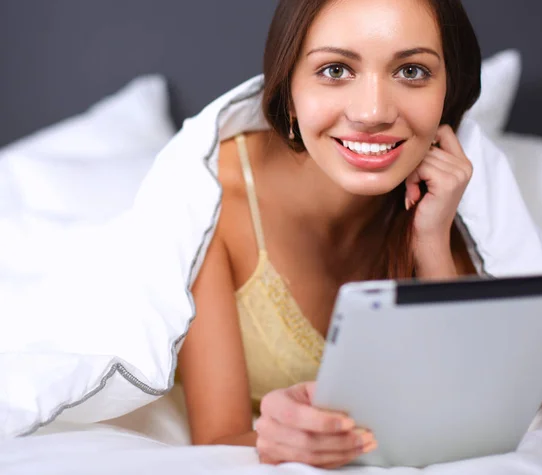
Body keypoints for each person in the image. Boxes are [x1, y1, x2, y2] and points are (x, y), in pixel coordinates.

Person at [178, 0, 482, 468]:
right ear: (289, 89)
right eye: (336, 70)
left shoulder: (451, 201)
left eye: (413, 71)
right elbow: (218, 438)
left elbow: (466, 410)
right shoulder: (214, 202)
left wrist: (431, 243)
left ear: (449, 92)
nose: (373, 112)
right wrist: (273, 443)